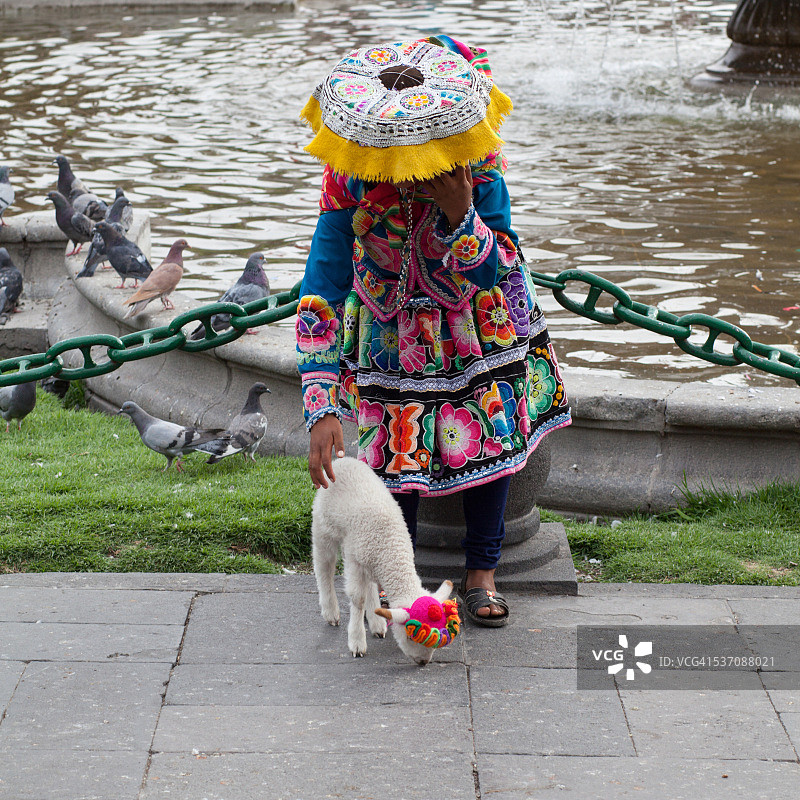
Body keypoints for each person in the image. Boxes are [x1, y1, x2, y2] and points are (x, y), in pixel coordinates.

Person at [295, 35, 571, 626]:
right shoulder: (352, 175)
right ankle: (404, 584)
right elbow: (322, 282)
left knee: (490, 442)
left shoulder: (476, 166)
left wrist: (459, 211)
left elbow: (498, 265)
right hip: (385, 336)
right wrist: (320, 406)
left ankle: (482, 573)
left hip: (473, 327)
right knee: (392, 457)